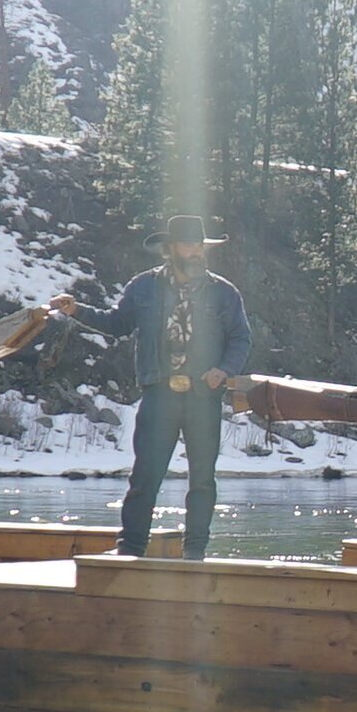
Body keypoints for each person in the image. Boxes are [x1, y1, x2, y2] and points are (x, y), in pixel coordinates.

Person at [86, 215, 252, 559]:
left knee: (202, 479)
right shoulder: (143, 287)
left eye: (199, 246)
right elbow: (115, 324)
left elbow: (241, 338)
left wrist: (223, 370)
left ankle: (195, 553)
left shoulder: (223, 292)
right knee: (145, 476)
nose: (195, 252)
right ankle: (130, 549)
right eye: (188, 245)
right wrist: (77, 311)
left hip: (203, 396)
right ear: (170, 249)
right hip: (159, 392)